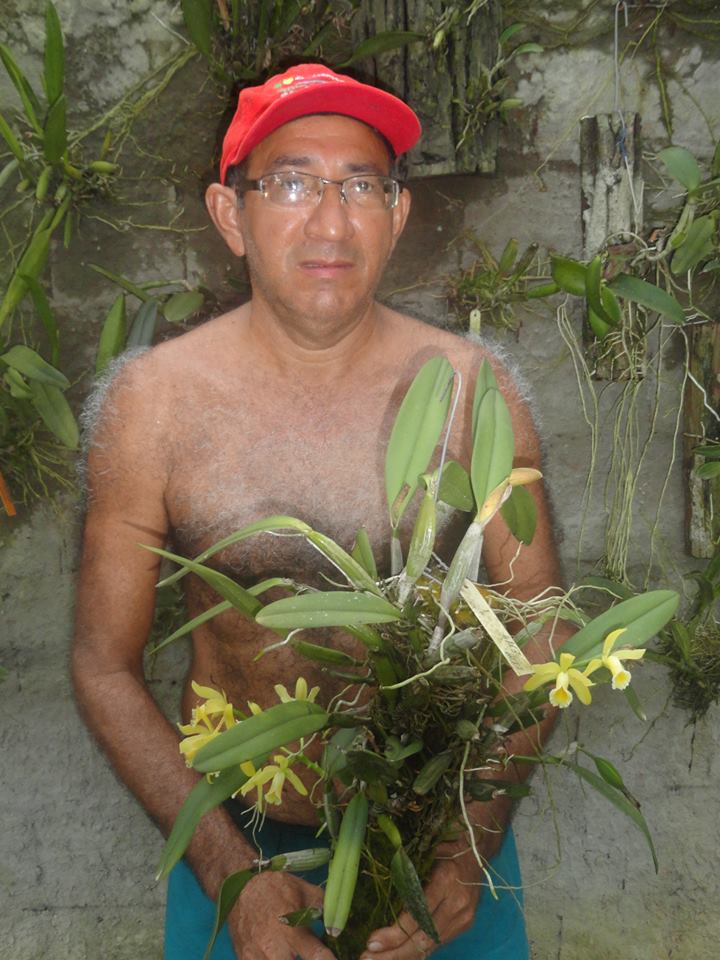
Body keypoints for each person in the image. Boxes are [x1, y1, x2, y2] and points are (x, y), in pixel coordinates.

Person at [73, 63, 563, 960]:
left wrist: (467, 842)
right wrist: (231, 875)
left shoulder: (470, 391)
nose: (329, 221)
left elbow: (539, 635)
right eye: (292, 182)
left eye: (361, 186)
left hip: (445, 837)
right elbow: (104, 663)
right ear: (231, 216)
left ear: (397, 216)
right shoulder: (153, 406)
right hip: (243, 840)